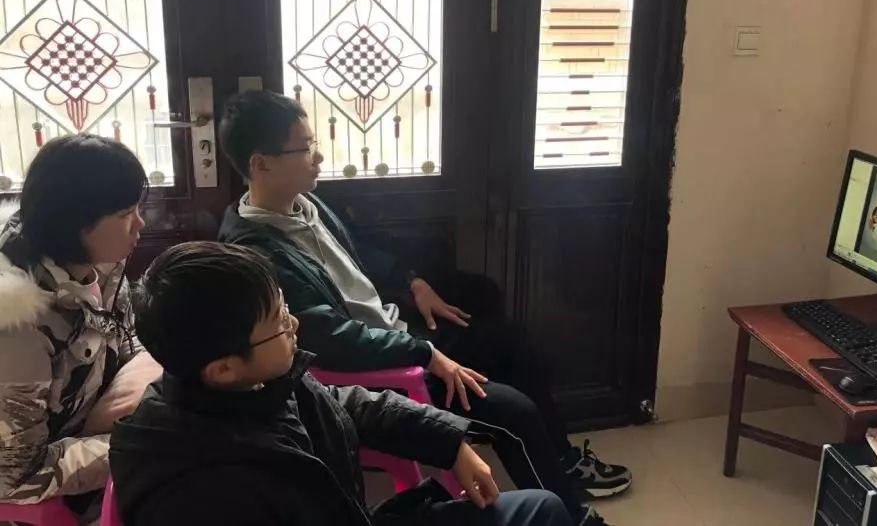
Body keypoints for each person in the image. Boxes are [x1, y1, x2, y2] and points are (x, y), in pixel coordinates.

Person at [217, 91, 630, 525]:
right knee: (514, 413)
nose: (317, 157)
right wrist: (426, 354)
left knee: (513, 344)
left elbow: (361, 254)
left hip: (403, 335)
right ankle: (573, 517)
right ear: (260, 164)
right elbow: (329, 338)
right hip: (378, 369)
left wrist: (412, 282)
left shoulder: (305, 205)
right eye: (304, 149)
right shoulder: (255, 252)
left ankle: (563, 465)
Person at [111, 241, 574, 526]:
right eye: (279, 323)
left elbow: (345, 403)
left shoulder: (251, 386)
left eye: (285, 309)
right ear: (224, 368)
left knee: (540, 508)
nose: (294, 324)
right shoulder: (198, 492)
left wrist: (450, 442)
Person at [0, 135, 156, 520]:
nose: (140, 223)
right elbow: (16, 475)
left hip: (99, 440)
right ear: (75, 223)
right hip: (53, 492)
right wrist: (139, 442)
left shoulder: (98, 263)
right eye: (126, 214)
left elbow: (127, 341)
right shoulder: (16, 323)